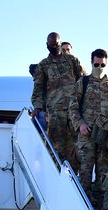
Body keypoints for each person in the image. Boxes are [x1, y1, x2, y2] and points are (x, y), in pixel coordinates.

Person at [69, 48, 108, 210]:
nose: (99, 67)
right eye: (96, 64)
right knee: (85, 171)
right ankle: (82, 206)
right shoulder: (83, 83)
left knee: (103, 173)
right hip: (87, 134)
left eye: (102, 65)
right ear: (91, 62)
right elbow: (72, 106)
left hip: (105, 135)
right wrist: (80, 124)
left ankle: (100, 208)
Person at [31, 32, 83, 166]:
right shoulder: (43, 65)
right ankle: (56, 171)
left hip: (73, 111)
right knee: (56, 145)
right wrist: (37, 107)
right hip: (55, 112)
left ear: (61, 43)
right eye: (51, 45)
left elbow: (83, 81)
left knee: (75, 145)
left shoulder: (72, 61)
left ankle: (73, 176)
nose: (54, 47)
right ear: (47, 45)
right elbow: (38, 87)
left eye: (57, 44)